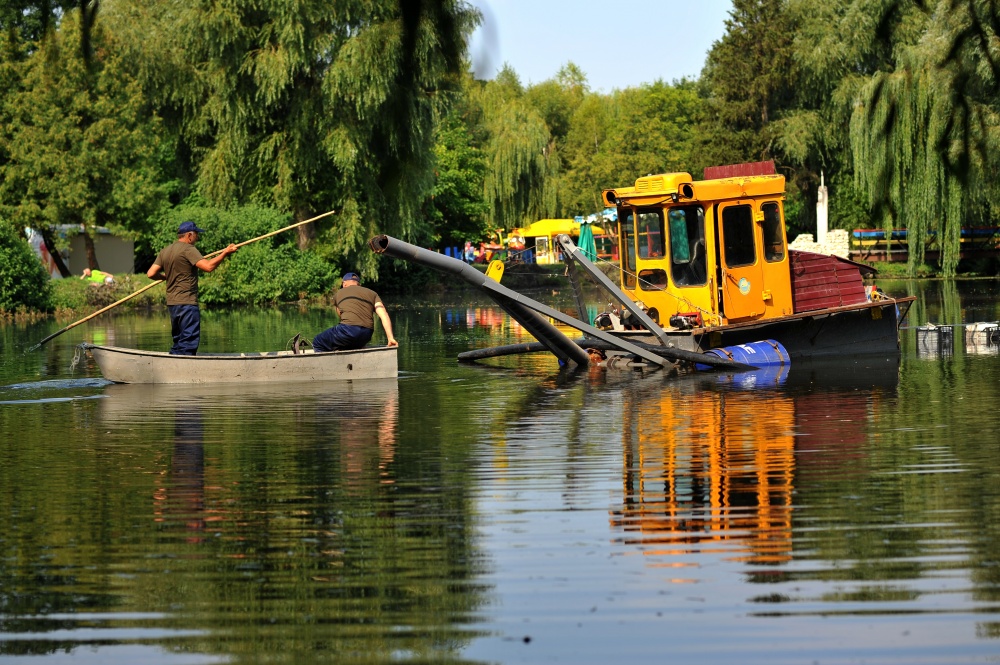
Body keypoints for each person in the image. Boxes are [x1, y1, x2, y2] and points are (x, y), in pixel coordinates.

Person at [146, 221, 238, 355]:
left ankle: (173, 364)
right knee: (188, 341)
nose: (198, 238)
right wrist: (225, 253)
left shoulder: (165, 251)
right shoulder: (188, 249)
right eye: (196, 234)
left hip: (173, 304)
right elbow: (208, 267)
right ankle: (184, 369)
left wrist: (166, 277)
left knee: (178, 341)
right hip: (187, 303)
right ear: (189, 235)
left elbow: (151, 273)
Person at [312, 272, 398, 352]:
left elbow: (340, 314)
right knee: (350, 343)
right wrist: (390, 338)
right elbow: (384, 315)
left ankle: (327, 366)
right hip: (367, 334)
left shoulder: (339, 293)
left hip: (348, 330)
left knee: (318, 342)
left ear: (344, 284)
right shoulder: (373, 293)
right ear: (358, 284)